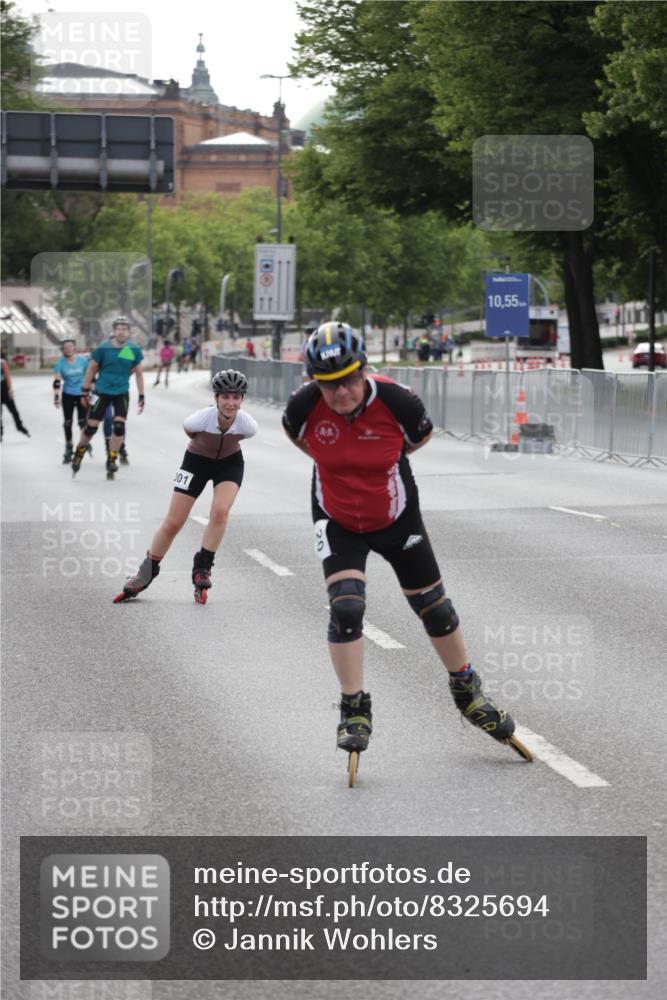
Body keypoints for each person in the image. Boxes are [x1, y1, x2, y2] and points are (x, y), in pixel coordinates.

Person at [282, 322, 531, 762]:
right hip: (337, 518)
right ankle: (353, 707)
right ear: (313, 381)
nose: (340, 392)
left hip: (397, 517)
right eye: (328, 384)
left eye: (348, 380)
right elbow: (299, 438)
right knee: (346, 607)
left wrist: (378, 461)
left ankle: (466, 689)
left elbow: (418, 438)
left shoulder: (399, 402)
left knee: (434, 607)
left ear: (364, 370)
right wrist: (340, 465)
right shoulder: (303, 407)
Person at [113, 369, 257, 605]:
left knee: (220, 512)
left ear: (242, 399)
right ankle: (146, 572)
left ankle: (203, 567)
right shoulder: (199, 419)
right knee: (174, 522)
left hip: (229, 464)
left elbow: (241, 438)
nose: (231, 403)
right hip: (195, 462)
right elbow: (189, 432)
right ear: (216, 398)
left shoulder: (248, 424)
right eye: (225, 397)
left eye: (236, 397)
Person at [71, 316, 144, 479]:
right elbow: (91, 368)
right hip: (101, 392)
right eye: (118, 329)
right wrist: (84, 391)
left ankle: (112, 459)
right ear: (113, 331)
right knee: (91, 427)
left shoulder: (133, 349)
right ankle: (79, 451)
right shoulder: (104, 348)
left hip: (121, 393)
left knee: (119, 426)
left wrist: (141, 395)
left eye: (124, 329)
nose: (121, 332)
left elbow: (138, 373)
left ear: (128, 332)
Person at [52, 339, 88, 462]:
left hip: (82, 394)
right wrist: (56, 397)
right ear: (63, 349)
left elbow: (90, 375)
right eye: (65, 347)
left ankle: (83, 443)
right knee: (67, 422)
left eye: (70, 346)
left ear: (74, 348)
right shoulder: (60, 363)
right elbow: (57, 382)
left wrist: (90, 391)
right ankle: (68, 446)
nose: (68, 349)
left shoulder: (83, 360)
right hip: (68, 394)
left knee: (82, 422)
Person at [1, 353, 30, 440]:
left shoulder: (2, 362)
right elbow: (7, 376)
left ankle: (19, 427)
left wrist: (10, 390)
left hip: (4, 389)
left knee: (13, 411)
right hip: (4, 389)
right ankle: (19, 427)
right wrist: (10, 390)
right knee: (14, 411)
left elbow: (7, 376)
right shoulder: (2, 362)